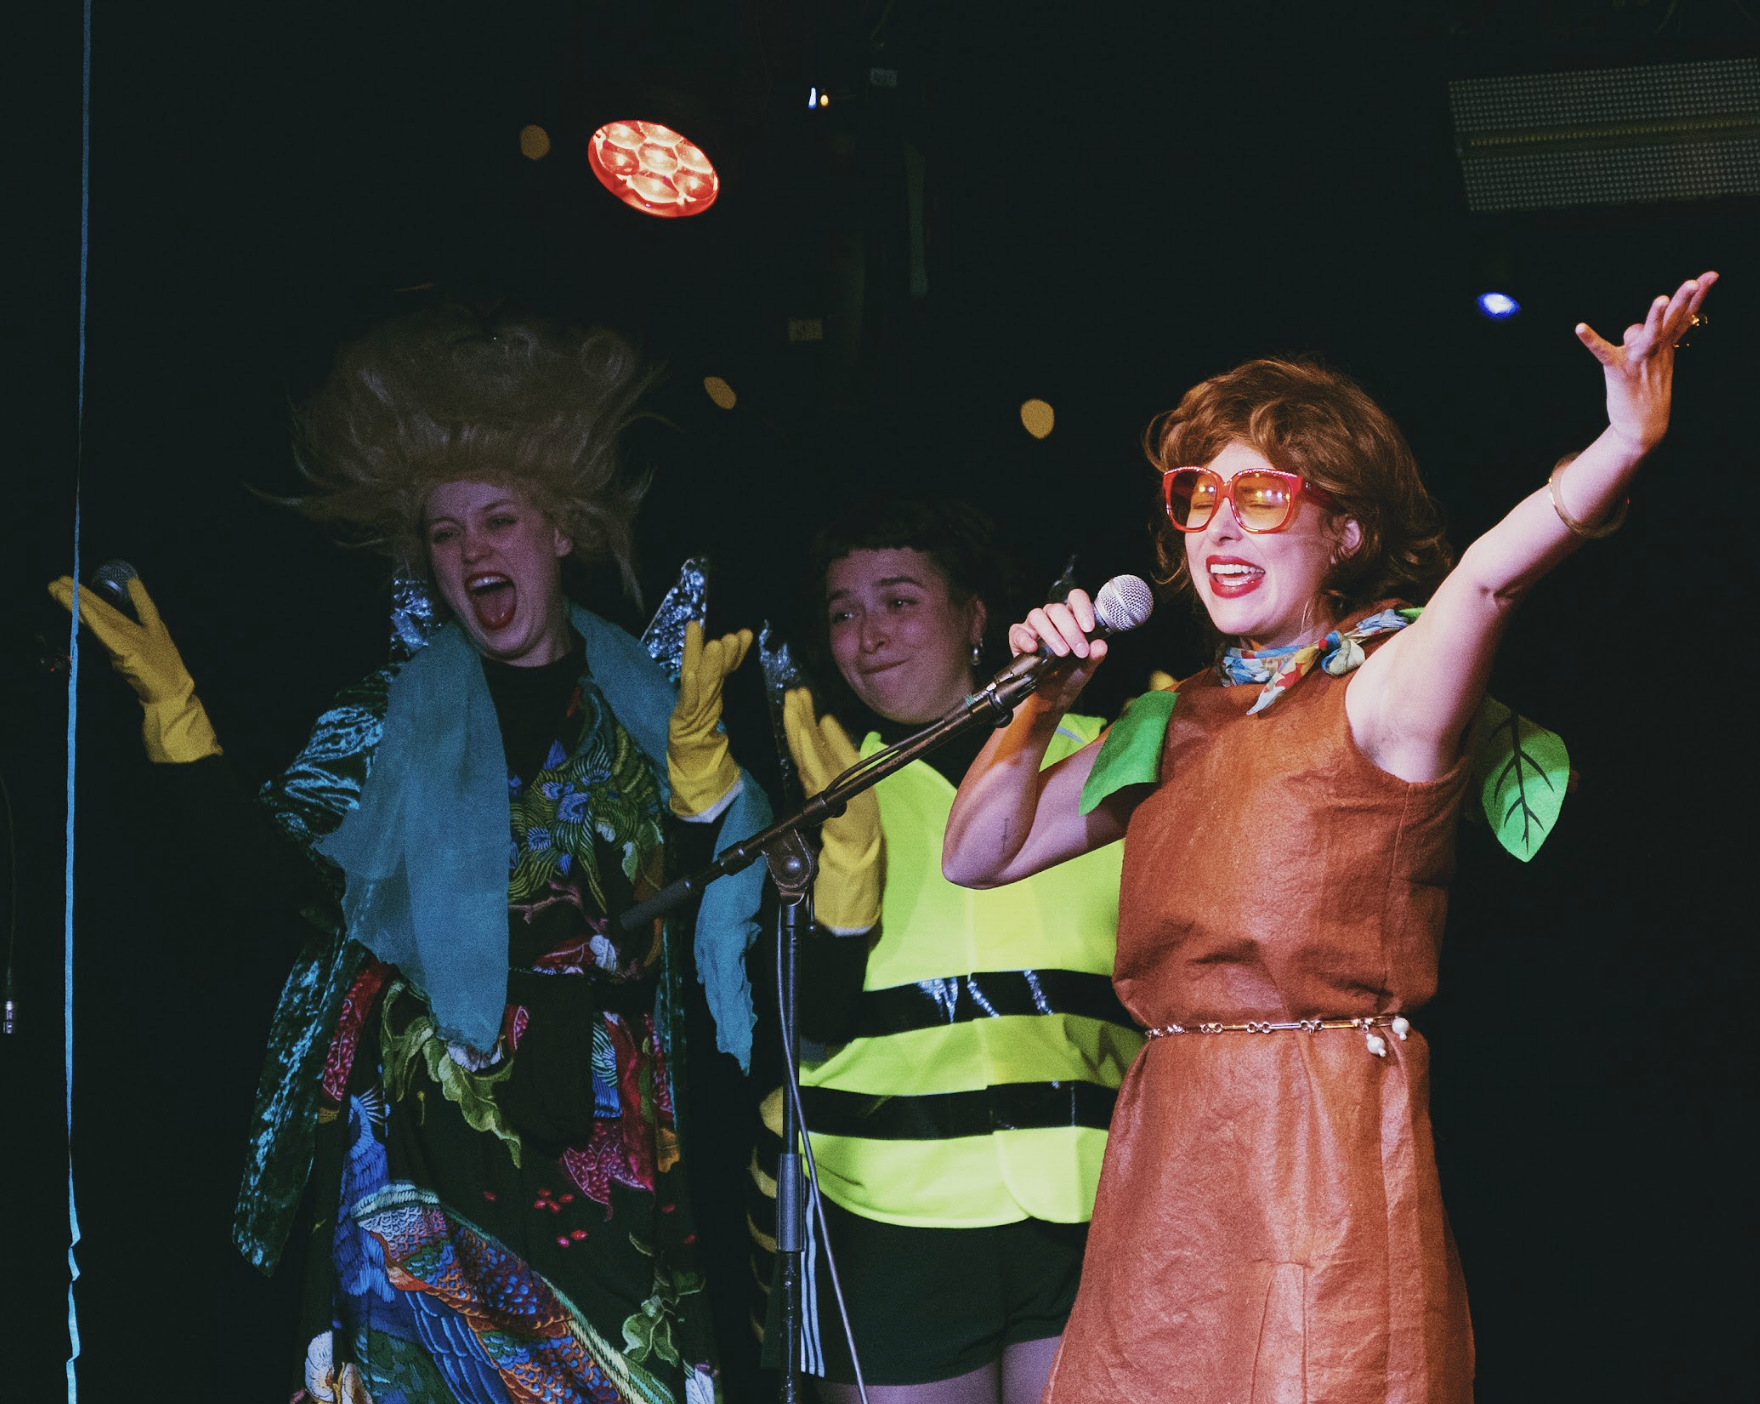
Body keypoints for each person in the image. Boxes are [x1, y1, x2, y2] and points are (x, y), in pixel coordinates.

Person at [940, 273, 1717, 1403]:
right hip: (1169, 1142)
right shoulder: (1168, 720)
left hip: (1317, 1135)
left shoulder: (1387, 694)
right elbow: (977, 855)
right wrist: (1039, 701)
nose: (1216, 523)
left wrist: (1619, 441)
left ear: (1342, 530)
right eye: (1197, 497)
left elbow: (1491, 582)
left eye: (1261, 496)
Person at [51, 303, 772, 1404]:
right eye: (445, 532)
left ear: (560, 530)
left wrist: (697, 796)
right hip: (419, 1157)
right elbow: (273, 886)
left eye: (497, 520)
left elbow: (699, 921)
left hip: (604, 1158)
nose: (471, 550)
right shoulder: (389, 713)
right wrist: (180, 725)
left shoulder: (654, 711)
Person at [754, 499, 1142, 1404]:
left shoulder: (1112, 758)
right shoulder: (816, 794)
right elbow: (790, 1036)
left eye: (897, 601)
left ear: (976, 618)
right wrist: (826, 896)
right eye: (843, 613)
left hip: (1090, 1201)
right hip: (890, 1217)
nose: (868, 634)